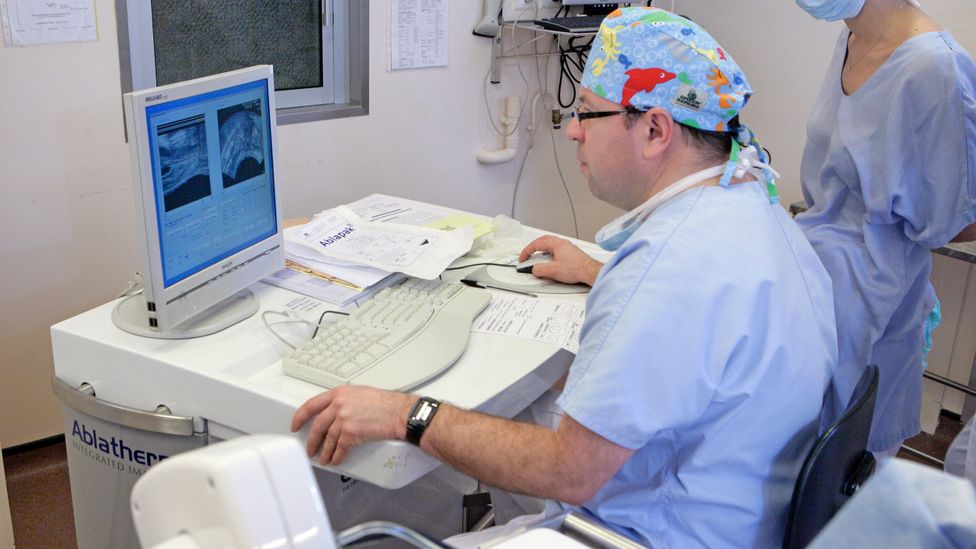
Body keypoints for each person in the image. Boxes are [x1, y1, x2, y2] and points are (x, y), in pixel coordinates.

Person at [291, 7, 837, 547]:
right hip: (740, 509)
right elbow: (703, 310)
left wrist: (406, 413)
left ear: (654, 129)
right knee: (532, 401)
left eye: (587, 113)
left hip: (651, 533)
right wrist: (600, 273)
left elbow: (569, 472)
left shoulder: (661, 272)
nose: (573, 131)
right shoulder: (753, 206)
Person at [792, 0, 976, 456]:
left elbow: (960, 216)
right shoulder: (852, 38)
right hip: (812, 280)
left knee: (831, 474)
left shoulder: (937, 68)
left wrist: (873, 232)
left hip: (870, 301)